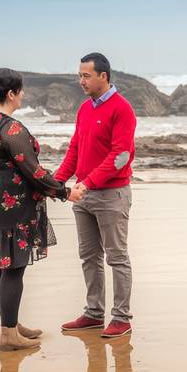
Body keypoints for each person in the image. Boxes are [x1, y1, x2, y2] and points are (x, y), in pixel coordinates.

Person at [0, 67, 86, 351]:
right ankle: (9, 336)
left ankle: (9, 324)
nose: (23, 95)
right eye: (20, 91)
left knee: (0, 264)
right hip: (10, 204)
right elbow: (33, 171)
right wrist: (64, 192)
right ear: (11, 94)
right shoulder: (12, 128)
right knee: (14, 267)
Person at [54, 53, 136, 338]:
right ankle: (93, 313)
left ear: (103, 76)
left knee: (117, 257)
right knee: (89, 256)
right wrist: (55, 182)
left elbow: (121, 156)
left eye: (86, 75)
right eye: (80, 75)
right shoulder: (84, 109)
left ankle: (122, 318)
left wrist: (87, 183)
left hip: (111, 195)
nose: (81, 81)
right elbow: (75, 149)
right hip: (83, 195)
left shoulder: (121, 109)